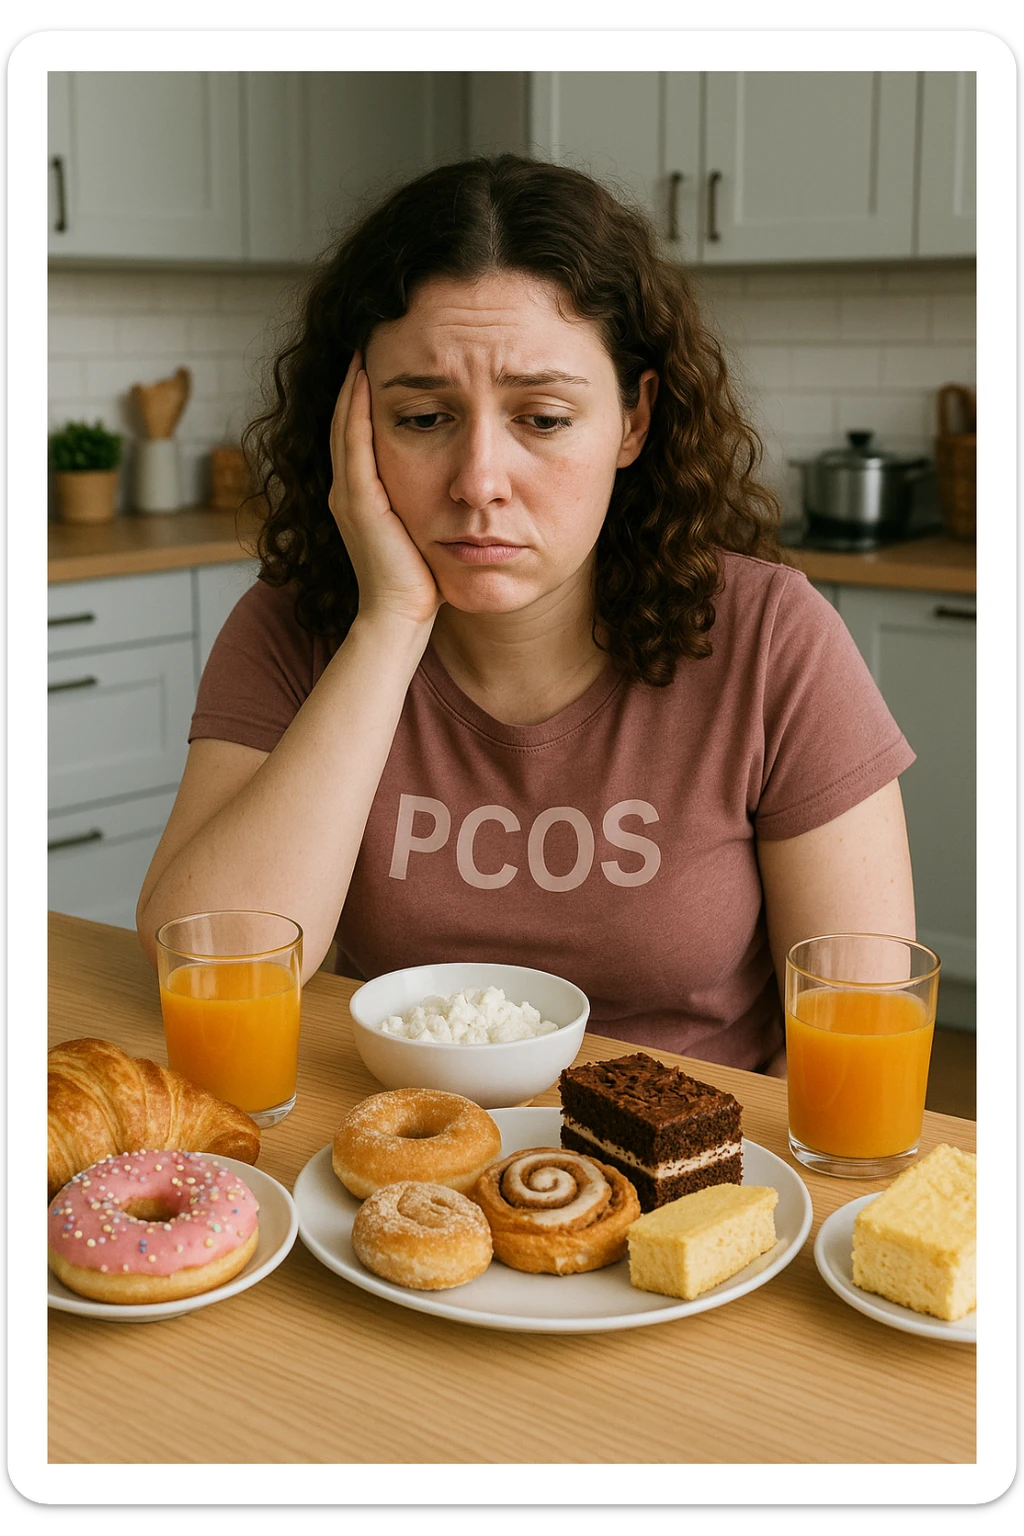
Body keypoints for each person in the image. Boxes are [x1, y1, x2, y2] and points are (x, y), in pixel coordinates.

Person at [136, 153, 916, 1075]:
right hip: (408, 1146)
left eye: (542, 419)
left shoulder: (774, 640)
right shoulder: (293, 626)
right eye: (422, 419)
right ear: (355, 426)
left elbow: (864, 1034)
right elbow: (213, 964)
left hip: (697, 1151)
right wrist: (390, 623)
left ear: (633, 420)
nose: (479, 484)